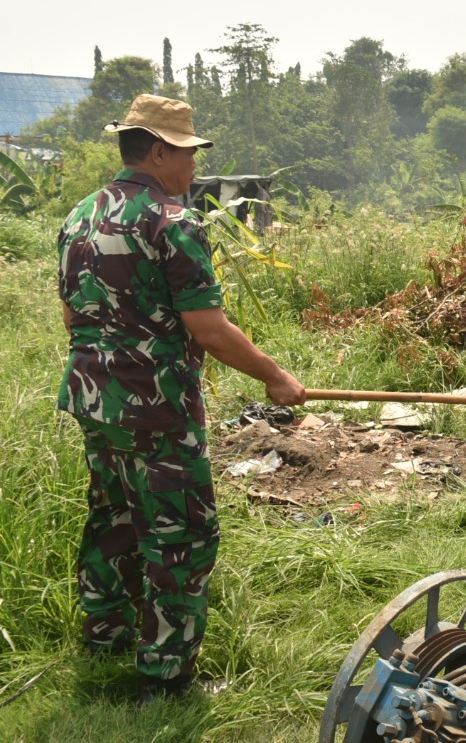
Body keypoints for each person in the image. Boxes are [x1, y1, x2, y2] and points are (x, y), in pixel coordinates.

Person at [57, 94, 306, 702]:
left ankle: (105, 636)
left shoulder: (80, 216)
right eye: (188, 153)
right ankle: (165, 676)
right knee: (181, 535)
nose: (194, 166)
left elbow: (72, 316)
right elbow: (209, 328)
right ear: (160, 151)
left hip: (95, 400)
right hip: (158, 409)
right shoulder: (172, 219)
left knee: (112, 516)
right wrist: (276, 378)